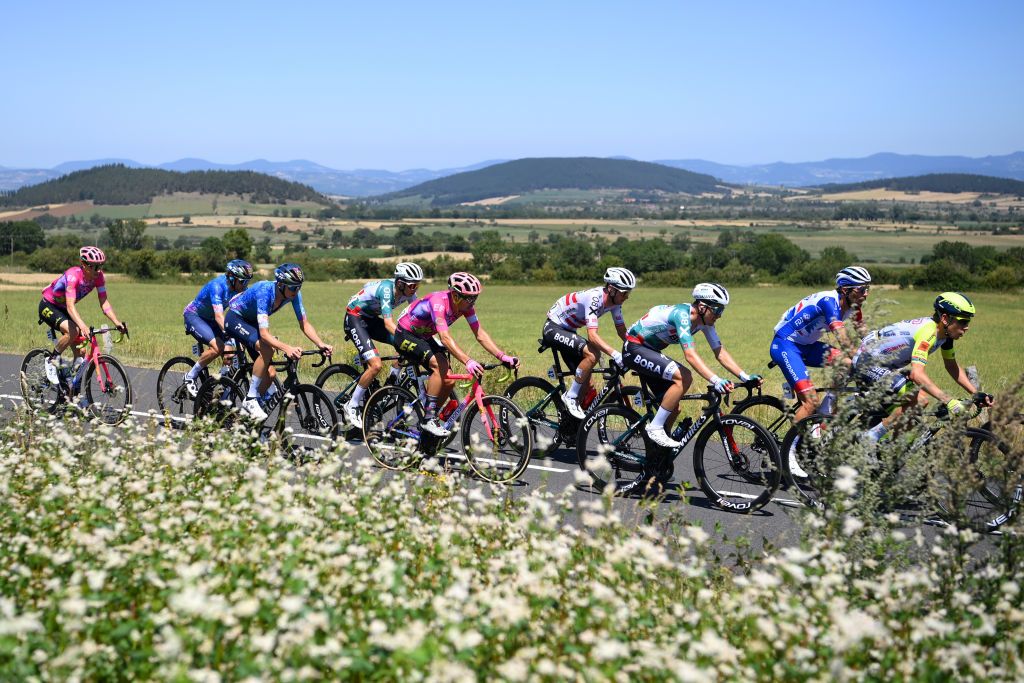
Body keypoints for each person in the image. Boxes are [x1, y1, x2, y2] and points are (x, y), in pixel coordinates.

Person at [622, 283, 760, 450]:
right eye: (717, 309)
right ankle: (655, 428)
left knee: (673, 407)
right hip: (634, 347)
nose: (719, 315)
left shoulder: (704, 322)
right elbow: (690, 355)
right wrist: (716, 380)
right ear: (702, 307)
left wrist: (744, 376)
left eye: (721, 310)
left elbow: (720, 352)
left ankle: (655, 455)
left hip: (649, 350)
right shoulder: (682, 315)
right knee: (684, 377)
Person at [853, 291, 992, 442]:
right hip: (867, 362)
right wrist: (949, 400)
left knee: (914, 408)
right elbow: (917, 374)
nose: (966, 327)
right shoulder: (928, 332)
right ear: (945, 319)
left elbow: (951, 366)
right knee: (920, 401)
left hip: (886, 365)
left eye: (968, 322)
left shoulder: (945, 335)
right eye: (963, 322)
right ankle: (870, 438)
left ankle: (889, 451)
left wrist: (976, 393)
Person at [393, 272, 519, 437]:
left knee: (449, 379)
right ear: (455, 295)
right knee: (439, 366)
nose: (472, 302)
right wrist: (468, 361)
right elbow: (445, 338)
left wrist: (502, 356)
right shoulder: (438, 303)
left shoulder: (465, 307)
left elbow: (479, 334)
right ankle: (428, 419)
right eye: (469, 298)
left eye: (475, 298)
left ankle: (431, 417)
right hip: (406, 333)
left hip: (424, 336)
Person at [224, 263, 333, 421]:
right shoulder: (264, 291)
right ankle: (250, 399)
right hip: (235, 318)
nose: (296, 291)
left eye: (299, 287)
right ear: (281, 285)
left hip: (251, 322)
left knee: (270, 375)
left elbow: (304, 324)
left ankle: (249, 416)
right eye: (293, 288)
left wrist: (320, 343)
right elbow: (264, 334)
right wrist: (286, 347)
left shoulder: (294, 294)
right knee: (267, 350)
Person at [770, 266, 871, 424]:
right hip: (786, 345)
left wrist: (883, 355)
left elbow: (865, 335)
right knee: (811, 402)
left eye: (867, 288)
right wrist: (865, 361)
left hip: (808, 346)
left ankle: (825, 410)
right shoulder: (828, 302)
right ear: (845, 290)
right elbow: (843, 339)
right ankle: (792, 447)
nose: (866, 293)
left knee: (848, 364)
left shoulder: (854, 306)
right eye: (862, 289)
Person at [542, 267, 635, 419]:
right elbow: (592, 336)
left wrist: (635, 347)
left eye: (628, 293)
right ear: (611, 289)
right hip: (553, 328)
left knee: (585, 382)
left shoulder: (615, 303)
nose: (627, 296)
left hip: (568, 331)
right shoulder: (594, 298)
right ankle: (570, 397)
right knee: (593, 354)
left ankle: (571, 425)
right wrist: (615, 353)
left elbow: (621, 330)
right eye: (625, 292)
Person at [341, 261, 424, 428]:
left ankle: (391, 382)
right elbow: (388, 324)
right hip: (354, 318)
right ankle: (352, 405)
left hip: (370, 319)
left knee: (405, 347)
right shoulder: (387, 290)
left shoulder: (407, 292)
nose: (415, 289)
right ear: (400, 283)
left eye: (417, 285)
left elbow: (419, 316)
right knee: (376, 365)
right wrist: (408, 338)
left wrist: (428, 337)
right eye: (412, 285)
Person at [38, 246, 126, 385]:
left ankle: (71, 390)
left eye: (100, 266)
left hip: (64, 308)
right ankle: (51, 360)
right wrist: (82, 325)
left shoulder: (99, 277)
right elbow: (70, 306)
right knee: (74, 331)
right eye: (94, 267)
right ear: (84, 264)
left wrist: (116, 322)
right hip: (49, 305)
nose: (98, 270)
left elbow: (104, 302)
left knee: (81, 353)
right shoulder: (73, 276)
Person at [179, 259, 253, 398]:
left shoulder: (241, 290)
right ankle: (190, 376)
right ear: (232, 278)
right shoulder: (217, 286)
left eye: (247, 282)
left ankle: (220, 384)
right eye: (243, 281)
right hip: (194, 316)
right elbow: (219, 317)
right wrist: (234, 333)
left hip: (211, 320)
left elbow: (247, 314)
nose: (245, 285)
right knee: (218, 347)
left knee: (231, 351)